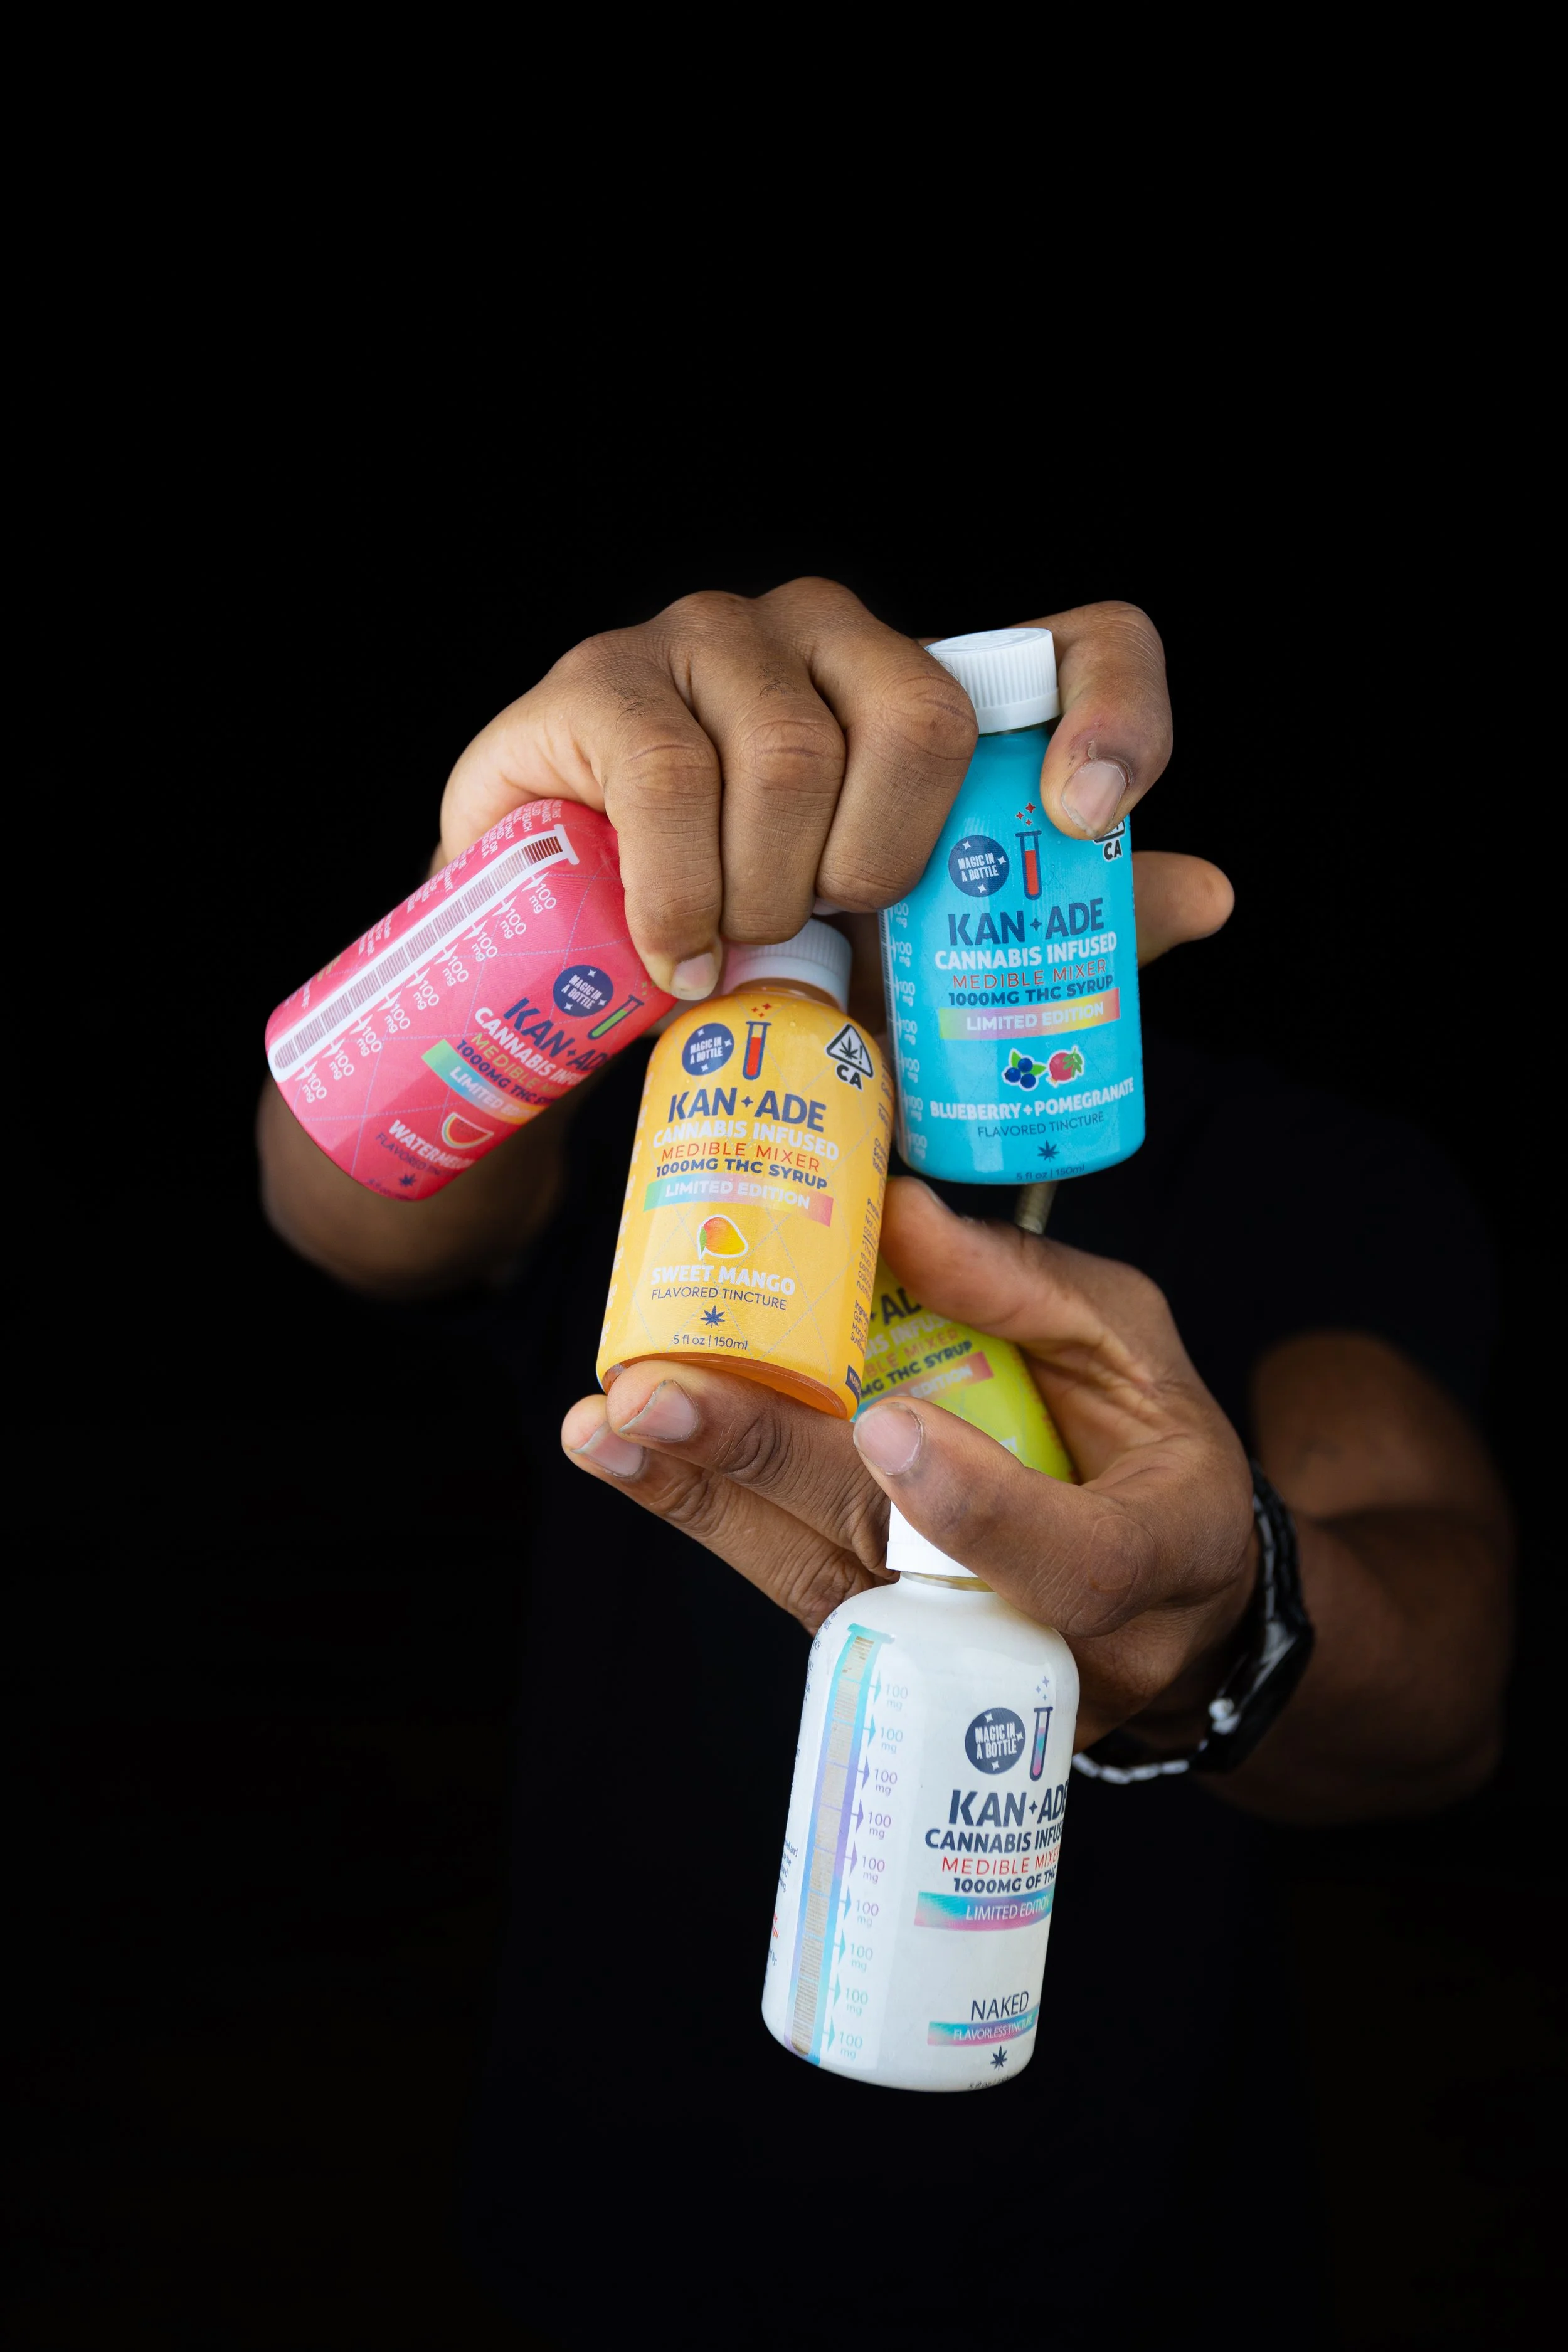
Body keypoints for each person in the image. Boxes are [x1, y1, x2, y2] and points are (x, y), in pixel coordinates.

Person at [258, 581, 1512, 2347]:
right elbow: (345, 1207)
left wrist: (1227, 1615)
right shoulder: (678, 1094)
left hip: (1120, 2243)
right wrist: (502, 893)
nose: (914, 856)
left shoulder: (1305, 1179)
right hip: (611, 2209)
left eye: (975, 819)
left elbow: (1446, 1688)